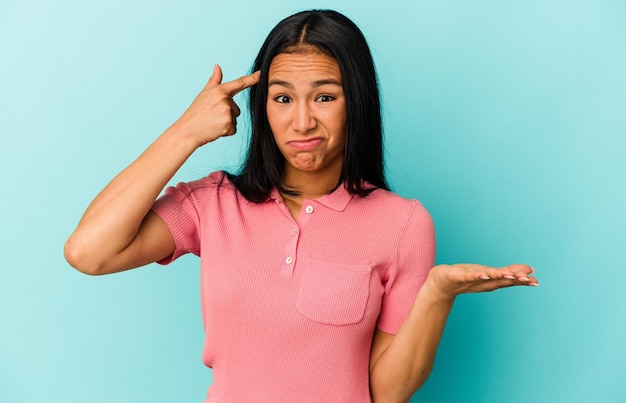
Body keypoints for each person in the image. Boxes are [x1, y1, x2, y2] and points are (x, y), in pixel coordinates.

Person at [64, 9, 538, 403]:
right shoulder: (213, 205)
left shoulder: (403, 223)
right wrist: (186, 132)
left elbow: (387, 392)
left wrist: (437, 293)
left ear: (357, 102)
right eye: (283, 98)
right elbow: (89, 251)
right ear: (262, 108)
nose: (302, 120)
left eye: (325, 97)